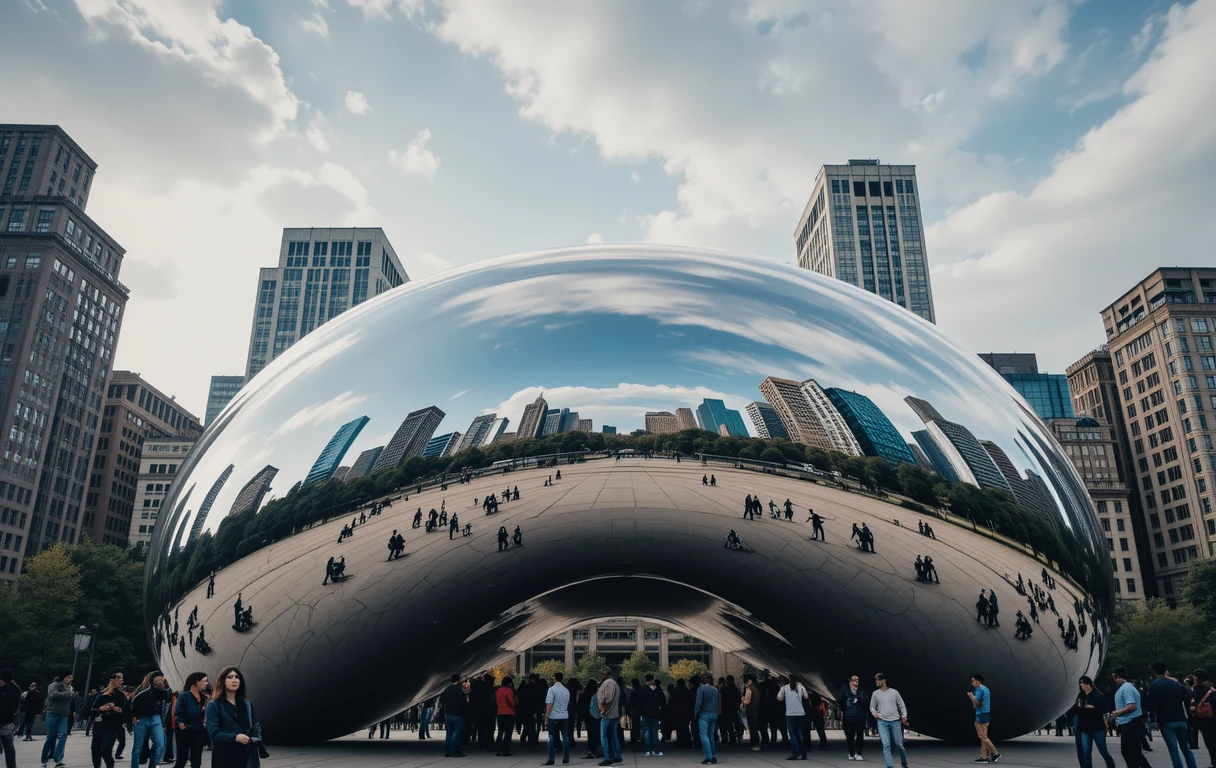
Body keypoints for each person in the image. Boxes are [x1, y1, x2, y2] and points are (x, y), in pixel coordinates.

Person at [205, 666, 265, 768]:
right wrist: (235, 737)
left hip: (247, 756)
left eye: (237, 677)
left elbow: (255, 726)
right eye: (230, 677)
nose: (234, 680)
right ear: (223, 681)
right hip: (225, 757)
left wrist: (255, 738)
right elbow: (213, 733)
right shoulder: (214, 705)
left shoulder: (247, 704)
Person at [1148, 661, 1199, 768]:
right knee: (1186, 748)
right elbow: (1187, 696)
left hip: (1165, 720)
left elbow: (1151, 705)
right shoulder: (1176, 684)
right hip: (1180, 718)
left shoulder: (1154, 685)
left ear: (1154, 671)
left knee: (1174, 750)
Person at [1110, 667, 1152, 768]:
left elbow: (1132, 706)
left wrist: (1118, 712)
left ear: (1117, 677)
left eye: (1114, 677)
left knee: (1127, 751)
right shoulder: (1129, 687)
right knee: (1135, 751)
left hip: (1129, 722)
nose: (1114, 680)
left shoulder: (1126, 689)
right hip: (1132, 722)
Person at [131, 670, 173, 768]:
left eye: (162, 678)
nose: (161, 679)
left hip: (156, 719)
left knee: (160, 744)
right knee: (138, 747)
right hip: (142, 719)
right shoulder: (144, 693)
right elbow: (134, 703)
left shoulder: (163, 692)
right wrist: (135, 716)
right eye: (159, 677)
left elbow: (168, 698)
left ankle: (153, 765)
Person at [1074, 675, 1116, 768]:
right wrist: (1079, 707)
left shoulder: (1099, 695)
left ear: (1090, 684)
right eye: (1081, 685)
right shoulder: (1081, 696)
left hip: (1098, 727)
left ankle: (1111, 766)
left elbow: (1104, 711)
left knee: (1103, 751)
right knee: (1086, 751)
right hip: (1085, 727)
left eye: (1085, 685)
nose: (1083, 687)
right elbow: (1076, 710)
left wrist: (1106, 725)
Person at [88, 671, 126, 768]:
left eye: (121, 679)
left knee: (105, 750)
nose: (120, 681)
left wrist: (118, 709)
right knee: (95, 751)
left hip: (113, 727)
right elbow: (92, 710)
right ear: (111, 680)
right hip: (99, 726)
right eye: (118, 679)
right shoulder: (101, 694)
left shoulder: (121, 695)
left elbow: (125, 710)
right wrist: (101, 709)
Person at [869, 674, 908, 768]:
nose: (876, 682)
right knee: (886, 744)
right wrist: (874, 713)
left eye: (878, 680)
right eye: (876, 680)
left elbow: (901, 705)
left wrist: (904, 716)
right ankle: (890, 766)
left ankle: (904, 763)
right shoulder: (875, 694)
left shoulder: (894, 692)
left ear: (883, 680)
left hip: (895, 721)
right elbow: (872, 707)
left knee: (899, 745)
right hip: (882, 722)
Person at [174, 672, 208, 768]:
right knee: (182, 758)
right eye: (204, 681)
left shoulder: (203, 696)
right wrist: (181, 722)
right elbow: (178, 711)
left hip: (198, 729)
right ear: (196, 682)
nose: (206, 683)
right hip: (185, 729)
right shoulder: (184, 695)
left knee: (196, 757)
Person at [41, 671, 74, 768]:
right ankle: (45, 757)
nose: (70, 679)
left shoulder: (69, 687)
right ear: (63, 677)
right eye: (68, 677)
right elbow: (53, 695)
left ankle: (58, 758)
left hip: (64, 714)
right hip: (53, 713)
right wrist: (69, 694)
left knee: (63, 735)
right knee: (51, 737)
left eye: (71, 678)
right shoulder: (53, 685)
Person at [967, 674, 1000, 763]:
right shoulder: (985, 689)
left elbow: (977, 703)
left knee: (982, 736)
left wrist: (970, 696)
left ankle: (995, 752)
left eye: (973, 681)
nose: (972, 683)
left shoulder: (980, 690)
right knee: (984, 737)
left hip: (980, 715)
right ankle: (984, 757)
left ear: (977, 681)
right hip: (986, 714)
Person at [778, 674, 808, 761]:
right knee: (799, 733)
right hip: (800, 713)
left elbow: (779, 698)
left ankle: (795, 753)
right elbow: (806, 697)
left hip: (790, 713)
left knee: (792, 734)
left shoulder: (784, 688)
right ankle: (802, 751)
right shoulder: (801, 687)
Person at [1190, 669, 1216, 768]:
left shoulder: (1198, 689)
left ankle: (1214, 762)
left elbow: (1196, 702)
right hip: (1213, 718)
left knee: (1210, 743)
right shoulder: (1211, 688)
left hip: (1205, 721)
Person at [544, 672, 571, 766]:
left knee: (551, 737)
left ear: (554, 678)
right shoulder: (566, 690)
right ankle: (566, 757)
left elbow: (549, 705)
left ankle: (551, 758)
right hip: (564, 716)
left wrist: (546, 718)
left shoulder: (551, 690)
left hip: (553, 716)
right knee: (565, 737)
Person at [838, 674, 867, 761]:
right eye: (854, 679)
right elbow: (839, 701)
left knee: (860, 736)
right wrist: (843, 711)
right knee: (849, 736)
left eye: (857, 679)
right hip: (848, 716)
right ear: (850, 681)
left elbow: (866, 701)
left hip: (859, 716)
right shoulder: (845, 690)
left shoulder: (861, 691)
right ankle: (851, 753)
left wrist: (859, 700)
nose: (856, 681)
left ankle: (858, 753)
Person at [597, 669, 622, 766]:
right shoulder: (616, 684)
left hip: (607, 715)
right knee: (614, 736)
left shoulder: (608, 683)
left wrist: (603, 707)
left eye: (603, 674)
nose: (602, 676)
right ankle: (617, 755)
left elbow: (608, 697)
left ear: (607, 674)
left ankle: (607, 757)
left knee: (604, 737)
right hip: (614, 714)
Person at [693, 673, 719, 765]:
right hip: (714, 714)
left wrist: (696, 714)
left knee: (704, 735)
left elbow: (698, 703)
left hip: (704, 714)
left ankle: (709, 757)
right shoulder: (715, 689)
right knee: (711, 734)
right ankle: (713, 754)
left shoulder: (701, 688)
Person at [639, 674, 665, 757]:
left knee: (647, 733)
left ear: (646, 680)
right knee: (655, 734)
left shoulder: (643, 691)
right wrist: (659, 706)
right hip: (655, 714)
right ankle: (656, 751)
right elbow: (663, 700)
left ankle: (648, 750)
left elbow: (640, 703)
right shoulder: (658, 691)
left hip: (645, 714)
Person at [441, 674, 467, 758]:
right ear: (458, 680)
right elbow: (463, 702)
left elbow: (443, 701)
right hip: (457, 714)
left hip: (448, 713)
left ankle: (447, 750)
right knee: (457, 731)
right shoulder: (459, 690)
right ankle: (454, 749)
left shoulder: (447, 689)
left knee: (449, 732)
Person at [0, 669, 18, 768]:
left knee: (7, 744)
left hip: (3, 719)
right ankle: (11, 765)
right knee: (8, 745)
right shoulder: (16, 688)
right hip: (9, 720)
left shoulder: (4, 689)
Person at [495, 676, 516, 756]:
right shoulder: (509, 691)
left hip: (500, 712)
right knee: (508, 733)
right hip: (509, 713)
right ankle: (505, 751)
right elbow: (512, 703)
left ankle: (498, 749)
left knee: (500, 732)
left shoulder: (498, 691)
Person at [742, 675, 761, 752]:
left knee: (752, 728)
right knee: (755, 728)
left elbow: (747, 700)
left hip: (750, 711)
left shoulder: (749, 689)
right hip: (756, 710)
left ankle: (755, 744)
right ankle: (756, 744)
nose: (745, 684)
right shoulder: (756, 689)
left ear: (749, 681)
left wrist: (743, 700)